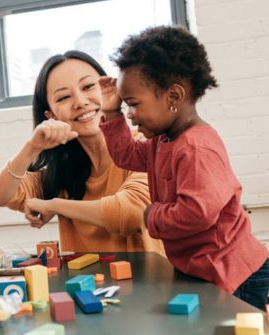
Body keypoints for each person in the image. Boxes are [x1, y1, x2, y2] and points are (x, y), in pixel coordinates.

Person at [99, 25, 268, 310]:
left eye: (133, 104)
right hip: (205, 270)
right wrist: (110, 112)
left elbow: (196, 213)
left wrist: (151, 214)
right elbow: (126, 154)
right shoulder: (163, 140)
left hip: (233, 272)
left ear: (173, 97)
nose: (130, 114)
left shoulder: (196, 147)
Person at [0, 51, 163, 254]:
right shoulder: (62, 172)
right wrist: (32, 148)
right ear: (51, 115)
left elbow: (133, 212)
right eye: (63, 97)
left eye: (88, 86)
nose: (80, 102)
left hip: (149, 284)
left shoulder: (144, 146)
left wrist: (55, 205)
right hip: (86, 286)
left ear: (109, 88)